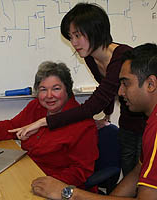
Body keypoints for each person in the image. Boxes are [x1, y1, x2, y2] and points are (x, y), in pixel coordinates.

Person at [9, 2, 146, 177]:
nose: (73, 43)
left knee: (145, 177)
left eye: (77, 35)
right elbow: (107, 90)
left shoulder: (122, 56)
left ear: (95, 31)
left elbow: (93, 105)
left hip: (148, 122)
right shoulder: (90, 57)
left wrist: (43, 121)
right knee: (130, 174)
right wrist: (107, 117)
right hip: (128, 122)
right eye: (70, 36)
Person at [31, 43, 157, 199]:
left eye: (125, 83)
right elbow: (138, 171)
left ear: (151, 84)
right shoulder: (151, 121)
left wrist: (68, 193)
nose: (119, 91)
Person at [0, 61, 99, 191]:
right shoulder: (36, 107)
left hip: (57, 186)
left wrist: (48, 182)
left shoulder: (83, 124)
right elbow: (12, 126)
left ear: (67, 89)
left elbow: (81, 171)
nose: (49, 95)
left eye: (56, 89)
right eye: (43, 89)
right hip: (28, 171)